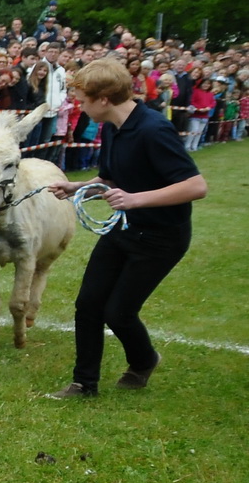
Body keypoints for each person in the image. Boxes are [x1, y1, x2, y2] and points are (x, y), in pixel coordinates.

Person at [47, 59, 207, 399]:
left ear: (104, 99)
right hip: (124, 229)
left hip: (162, 238)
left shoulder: (153, 129)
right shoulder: (112, 127)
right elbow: (110, 178)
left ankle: (144, 361)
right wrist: (80, 187)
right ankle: (83, 384)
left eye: (83, 99)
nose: (79, 105)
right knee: (88, 303)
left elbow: (195, 186)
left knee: (118, 312)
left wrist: (136, 200)